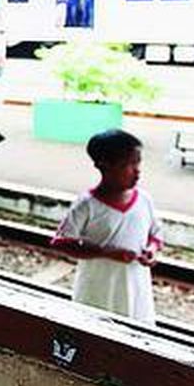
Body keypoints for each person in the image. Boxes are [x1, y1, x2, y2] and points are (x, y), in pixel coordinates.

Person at [50, 129, 161, 323]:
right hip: (97, 289)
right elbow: (61, 242)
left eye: (138, 163)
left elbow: (155, 235)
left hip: (136, 289)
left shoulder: (144, 200)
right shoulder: (87, 204)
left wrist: (151, 250)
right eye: (128, 164)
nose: (137, 170)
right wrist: (105, 253)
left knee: (136, 330)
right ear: (104, 166)